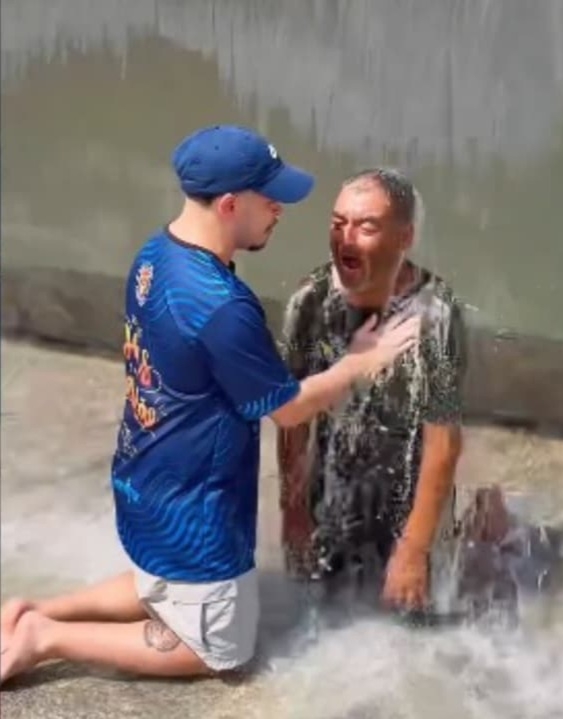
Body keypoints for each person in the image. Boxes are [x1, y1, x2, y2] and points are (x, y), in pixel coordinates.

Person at [0, 126, 420, 685]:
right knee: (216, 652)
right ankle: (44, 636)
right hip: (196, 512)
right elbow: (288, 408)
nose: (280, 209)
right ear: (229, 205)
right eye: (269, 199)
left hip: (142, 478)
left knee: (159, 584)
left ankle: (40, 608)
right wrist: (360, 361)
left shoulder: (155, 255)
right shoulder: (223, 308)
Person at [277, 168, 509, 617]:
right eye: (338, 222)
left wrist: (414, 550)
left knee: (428, 611)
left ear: (404, 238)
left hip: (410, 491)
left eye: (366, 226)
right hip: (340, 486)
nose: (346, 238)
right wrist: (294, 511)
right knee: (322, 602)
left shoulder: (435, 316)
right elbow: (294, 418)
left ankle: (485, 513)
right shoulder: (310, 300)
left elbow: (443, 443)